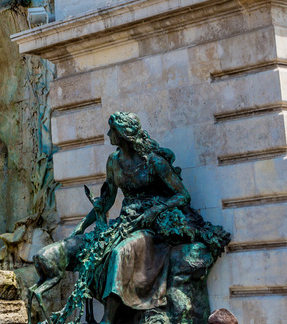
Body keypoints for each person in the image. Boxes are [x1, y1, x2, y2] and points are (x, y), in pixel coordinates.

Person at [56, 112, 230, 324]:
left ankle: (108, 318)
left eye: (112, 130)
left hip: (151, 226)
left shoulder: (154, 162)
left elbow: (183, 195)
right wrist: (82, 226)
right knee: (98, 254)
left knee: (120, 253)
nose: (108, 134)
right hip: (126, 223)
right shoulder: (113, 161)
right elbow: (108, 200)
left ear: (124, 134)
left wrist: (156, 210)